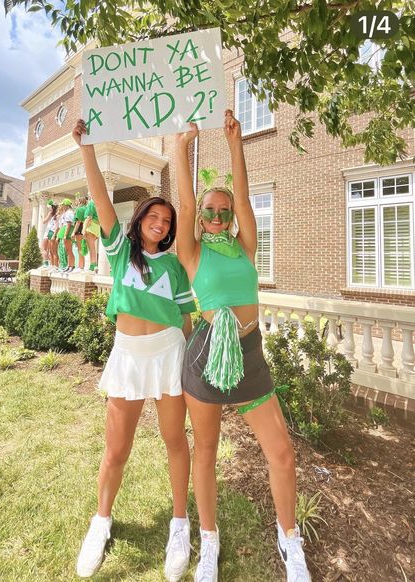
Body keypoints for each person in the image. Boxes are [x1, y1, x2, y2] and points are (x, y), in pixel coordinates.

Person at [175, 110, 311, 582]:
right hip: (206, 355)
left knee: (282, 452)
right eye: (209, 209)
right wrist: (181, 147)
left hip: (249, 353)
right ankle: (208, 541)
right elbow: (186, 209)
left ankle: (289, 538)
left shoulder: (246, 245)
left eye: (223, 210)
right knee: (206, 452)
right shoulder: (192, 253)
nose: (215, 215)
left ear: (231, 218)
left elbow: (247, 198)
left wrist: (235, 141)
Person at [72, 119, 197, 581]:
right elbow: (101, 198)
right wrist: (88, 148)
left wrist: (183, 145)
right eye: (154, 217)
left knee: (173, 441)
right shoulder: (121, 251)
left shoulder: (177, 267)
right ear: (140, 218)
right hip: (127, 355)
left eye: (166, 222)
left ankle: (179, 524)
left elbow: (185, 317)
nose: (160, 225)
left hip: (168, 354)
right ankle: (100, 521)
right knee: (116, 448)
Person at [56, 199, 75, 272]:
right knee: (68, 250)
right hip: (65, 230)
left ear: (66, 205)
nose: (62, 206)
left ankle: (71, 266)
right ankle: (69, 265)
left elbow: (69, 224)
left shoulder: (69, 212)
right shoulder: (66, 212)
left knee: (69, 250)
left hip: (67, 232)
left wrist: (65, 235)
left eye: (63, 205)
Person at [71, 194, 89, 271]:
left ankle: (80, 266)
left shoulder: (80, 209)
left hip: (80, 228)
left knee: (80, 248)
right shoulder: (87, 208)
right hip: (87, 228)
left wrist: (73, 232)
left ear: (80, 201)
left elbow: (78, 222)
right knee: (84, 247)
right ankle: (82, 266)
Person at [41, 200, 57, 267]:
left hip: (49, 231)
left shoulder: (51, 213)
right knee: (50, 249)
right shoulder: (56, 213)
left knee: (44, 248)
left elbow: (44, 221)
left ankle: (46, 262)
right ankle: (50, 263)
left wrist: (42, 216)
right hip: (53, 231)